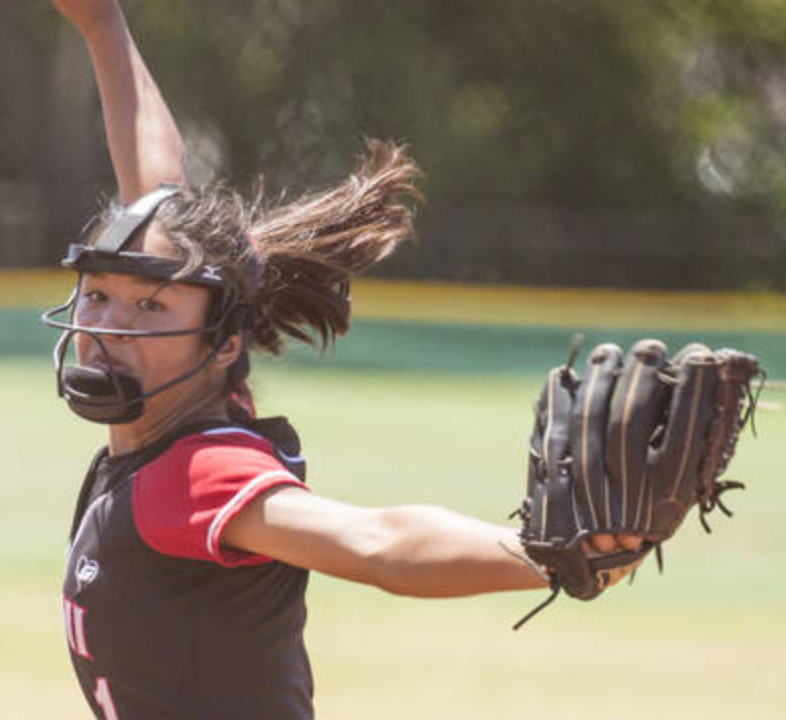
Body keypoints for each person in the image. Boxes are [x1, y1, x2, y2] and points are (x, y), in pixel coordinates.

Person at [43, 2, 636, 718]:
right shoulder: (175, 423)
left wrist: (547, 555)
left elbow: (375, 543)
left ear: (223, 341)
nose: (109, 325)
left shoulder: (193, 475)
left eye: (150, 307)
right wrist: (103, 26)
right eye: (98, 293)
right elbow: (157, 187)